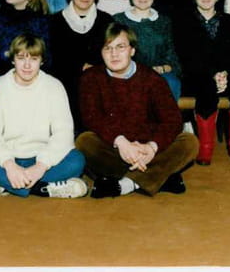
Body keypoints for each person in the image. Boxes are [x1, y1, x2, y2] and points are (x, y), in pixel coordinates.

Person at [76, 22, 199, 198]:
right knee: (84, 142)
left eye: (120, 47)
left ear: (132, 50)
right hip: (115, 146)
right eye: (107, 48)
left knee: (189, 142)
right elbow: (91, 117)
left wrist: (151, 147)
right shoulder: (90, 78)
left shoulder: (152, 79)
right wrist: (121, 142)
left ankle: (126, 184)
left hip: (147, 146)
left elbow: (172, 119)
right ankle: (159, 177)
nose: (114, 54)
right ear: (101, 52)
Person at [0, 33, 87, 198]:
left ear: (41, 61)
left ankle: (2, 185)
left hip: (41, 157)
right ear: (13, 60)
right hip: (6, 159)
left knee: (77, 160)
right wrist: (9, 165)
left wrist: (41, 166)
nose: (27, 65)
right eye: (21, 58)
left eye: (34, 59)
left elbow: (63, 133)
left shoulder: (54, 86)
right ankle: (43, 189)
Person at [173, 0, 230, 165]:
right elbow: (186, 56)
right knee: (206, 87)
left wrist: (225, 74)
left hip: (227, 76)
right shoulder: (183, 21)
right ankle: (205, 148)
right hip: (196, 76)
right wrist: (212, 75)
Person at [48, 0, 113, 132]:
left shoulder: (106, 21)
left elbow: (111, 53)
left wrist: (95, 69)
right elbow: (54, 57)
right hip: (65, 78)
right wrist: (80, 67)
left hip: (99, 77)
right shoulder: (54, 22)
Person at [113, 0, 181, 100]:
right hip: (130, 73)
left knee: (171, 83)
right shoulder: (118, 20)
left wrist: (163, 68)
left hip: (160, 73)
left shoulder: (164, 21)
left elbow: (172, 54)